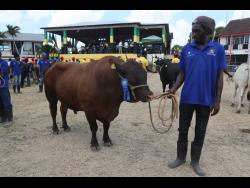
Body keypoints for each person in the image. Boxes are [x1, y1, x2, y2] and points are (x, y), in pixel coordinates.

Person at [167, 16, 227, 176]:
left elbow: (220, 76)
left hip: (206, 100)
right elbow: (182, 73)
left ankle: (195, 161)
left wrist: (217, 100)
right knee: (183, 130)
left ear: (206, 31)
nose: (193, 33)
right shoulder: (186, 49)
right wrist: (173, 88)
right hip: (187, 99)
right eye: (193, 30)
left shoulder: (218, 50)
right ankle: (180, 158)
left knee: (200, 131)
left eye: (197, 30)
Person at [0, 51, 13, 123]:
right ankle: (2, 117)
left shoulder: (3, 63)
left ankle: (9, 117)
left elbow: (2, 73)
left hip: (3, 85)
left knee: (6, 101)